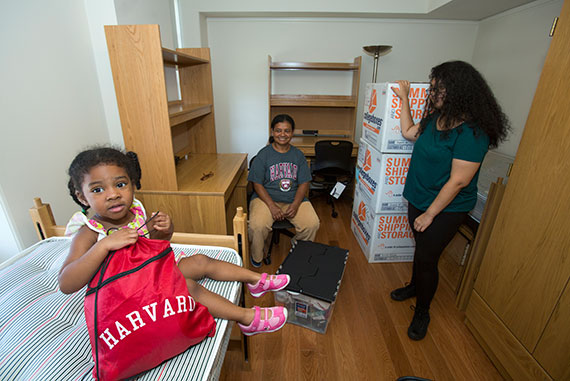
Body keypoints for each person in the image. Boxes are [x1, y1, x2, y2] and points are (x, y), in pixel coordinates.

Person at [59, 147, 290, 336]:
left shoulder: (135, 211)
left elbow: (154, 246)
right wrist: (104, 245)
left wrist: (163, 231)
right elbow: (66, 283)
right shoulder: (89, 233)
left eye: (120, 184)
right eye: (98, 189)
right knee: (188, 288)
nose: (113, 194)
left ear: (132, 183)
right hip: (127, 294)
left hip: (151, 273)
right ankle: (246, 318)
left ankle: (256, 280)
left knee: (200, 261)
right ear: (82, 197)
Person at [390, 61, 510, 340]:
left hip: (445, 208)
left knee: (428, 258)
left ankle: (422, 310)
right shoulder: (435, 119)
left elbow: (459, 181)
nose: (434, 95)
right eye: (432, 89)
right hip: (419, 197)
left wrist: (430, 214)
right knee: (421, 249)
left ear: (460, 91)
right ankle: (414, 286)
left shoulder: (472, 132)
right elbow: (408, 132)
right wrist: (406, 99)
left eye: (439, 90)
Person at [248, 114, 320, 267]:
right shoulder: (263, 155)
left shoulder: (298, 155)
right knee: (257, 226)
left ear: (292, 132)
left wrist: (295, 204)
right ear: (272, 132)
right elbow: (257, 184)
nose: (282, 134)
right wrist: (272, 206)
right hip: (265, 199)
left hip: (293, 199)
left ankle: (298, 250)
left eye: (286, 131)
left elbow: (304, 183)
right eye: (278, 130)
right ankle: (258, 256)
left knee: (312, 224)